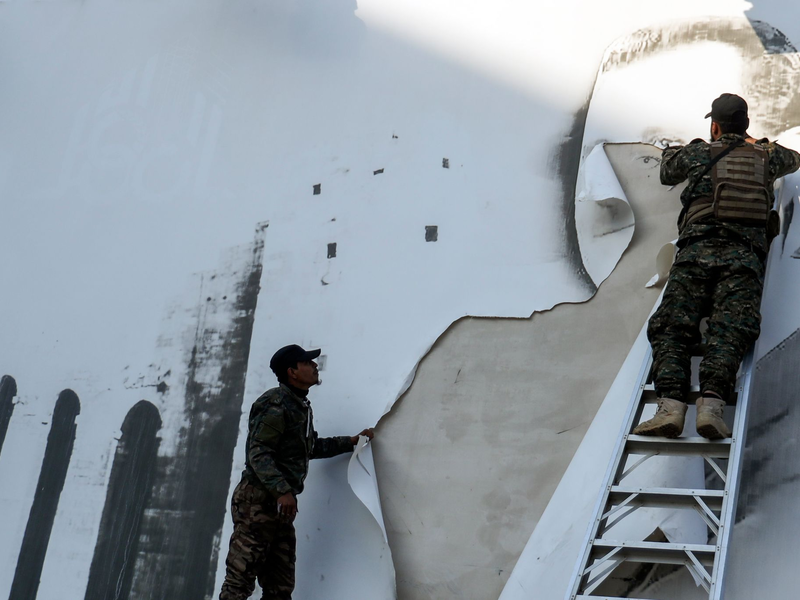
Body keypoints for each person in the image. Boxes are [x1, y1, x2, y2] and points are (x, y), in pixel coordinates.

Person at [634, 93, 800, 440]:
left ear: (714, 125)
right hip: (744, 259)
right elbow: (794, 159)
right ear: (747, 125)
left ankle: (670, 406)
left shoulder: (697, 154)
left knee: (672, 327)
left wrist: (681, 149)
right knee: (730, 329)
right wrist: (756, 143)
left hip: (696, 253)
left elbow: (667, 171)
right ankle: (711, 406)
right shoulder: (767, 157)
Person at [219, 344, 374, 600]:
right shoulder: (275, 404)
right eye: (308, 363)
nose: (315, 366)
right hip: (257, 504)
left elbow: (309, 447)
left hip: (280, 508)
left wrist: (351, 442)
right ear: (292, 372)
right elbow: (258, 453)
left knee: (280, 589)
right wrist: (282, 491)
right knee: (238, 584)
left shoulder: (299, 405)